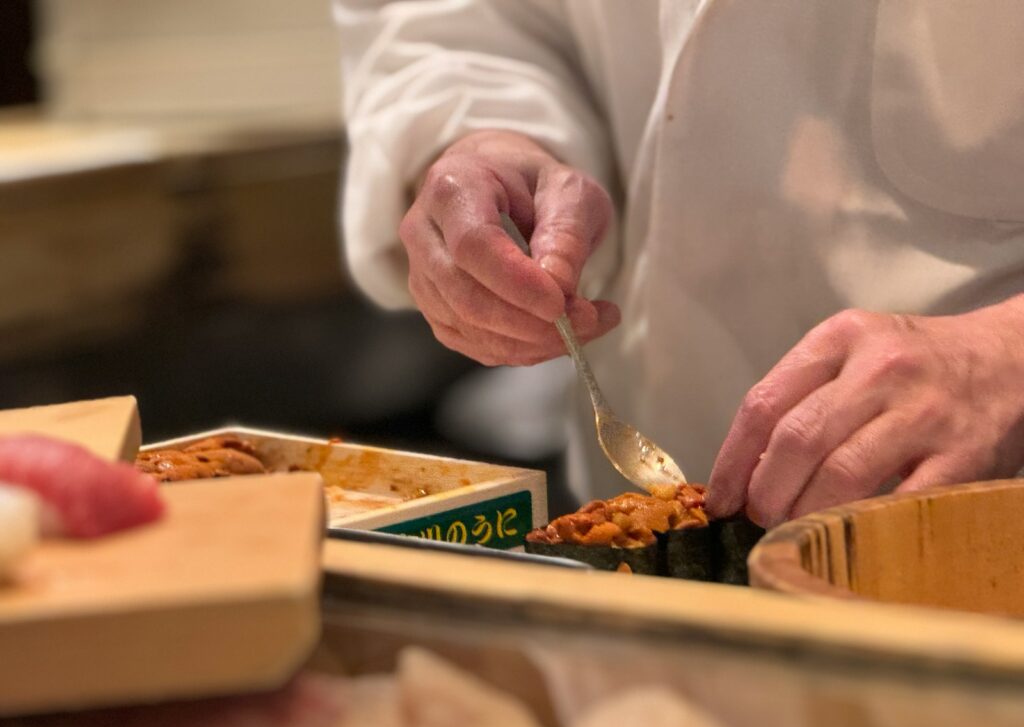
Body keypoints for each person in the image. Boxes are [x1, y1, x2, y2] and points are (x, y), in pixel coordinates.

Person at [335, 1, 1024, 528]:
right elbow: (449, 22)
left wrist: (1004, 353)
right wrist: (480, 134)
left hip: (990, 515)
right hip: (652, 514)